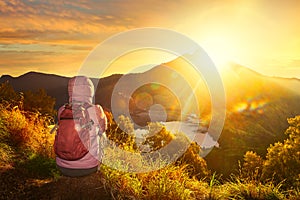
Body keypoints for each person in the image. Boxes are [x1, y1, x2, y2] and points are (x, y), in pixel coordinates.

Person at [55, 76, 107, 177]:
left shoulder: (62, 110)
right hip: (89, 167)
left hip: (62, 166)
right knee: (103, 134)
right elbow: (104, 128)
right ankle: (100, 163)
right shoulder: (96, 110)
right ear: (90, 91)